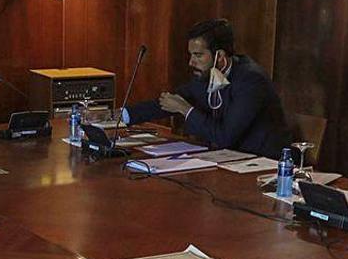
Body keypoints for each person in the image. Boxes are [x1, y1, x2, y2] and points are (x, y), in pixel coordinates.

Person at [122, 19, 290, 158]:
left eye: (198, 55)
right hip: (227, 160)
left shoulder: (251, 80)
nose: (191, 62)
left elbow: (225, 136)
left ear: (220, 57)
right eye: (191, 55)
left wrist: (185, 110)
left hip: (262, 165)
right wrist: (121, 116)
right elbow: (171, 101)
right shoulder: (205, 74)